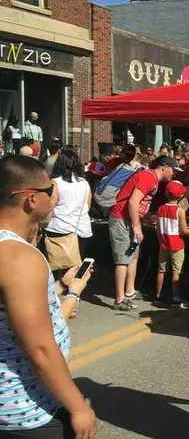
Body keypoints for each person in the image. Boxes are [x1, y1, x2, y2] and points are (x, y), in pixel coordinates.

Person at [0, 155, 98, 438]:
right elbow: (40, 349)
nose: (53, 197)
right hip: (26, 409)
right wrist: (78, 408)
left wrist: (67, 291)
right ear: (30, 199)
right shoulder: (19, 257)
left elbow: (15, 319)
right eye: (49, 191)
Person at [109, 156, 182, 311]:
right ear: (163, 167)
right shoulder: (148, 177)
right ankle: (120, 299)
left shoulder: (152, 179)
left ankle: (130, 291)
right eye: (172, 170)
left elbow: (139, 203)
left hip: (130, 220)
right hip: (121, 219)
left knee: (133, 255)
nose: (173, 174)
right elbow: (133, 201)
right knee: (122, 259)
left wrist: (143, 219)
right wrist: (136, 226)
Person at [154, 180, 189, 308]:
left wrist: (160, 241)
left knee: (161, 270)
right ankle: (176, 298)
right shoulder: (180, 210)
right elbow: (184, 230)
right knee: (177, 271)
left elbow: (158, 229)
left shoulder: (160, 208)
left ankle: (158, 295)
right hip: (177, 244)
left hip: (163, 244)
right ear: (181, 196)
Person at [45, 146, 93, 261]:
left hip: (59, 229)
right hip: (82, 229)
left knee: (58, 266)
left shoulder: (55, 182)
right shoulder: (84, 183)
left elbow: (51, 205)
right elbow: (88, 206)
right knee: (78, 266)